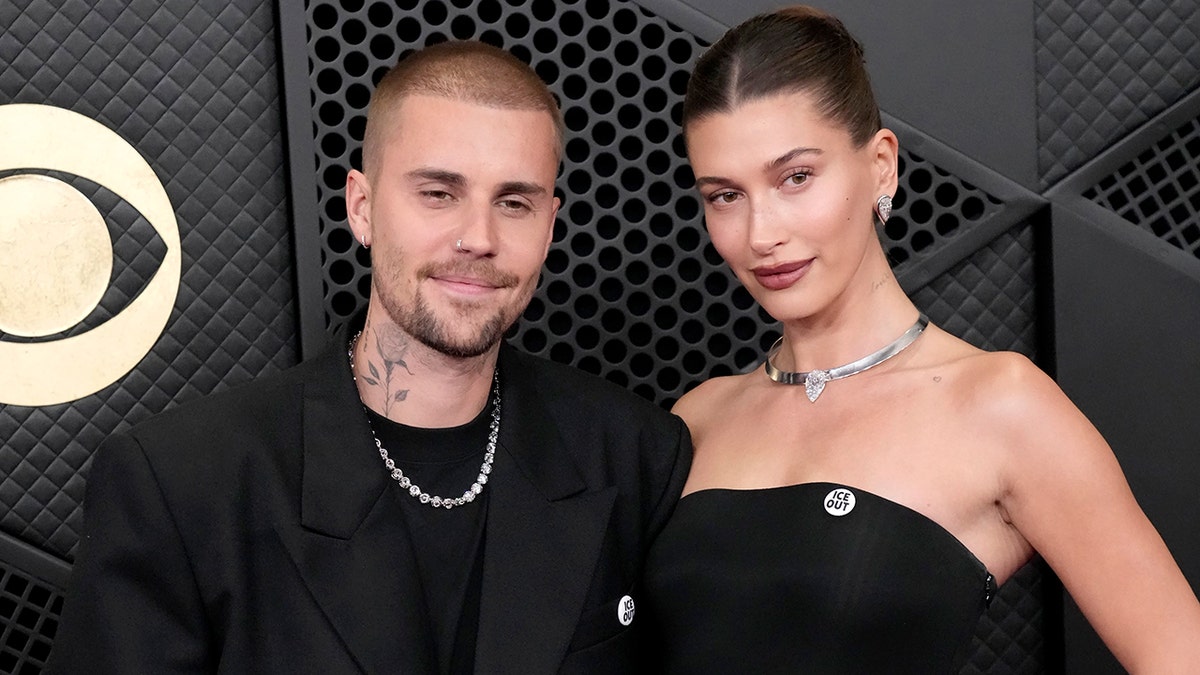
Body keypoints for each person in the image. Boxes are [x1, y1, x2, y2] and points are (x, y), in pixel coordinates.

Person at [51, 41, 691, 674]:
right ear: (361, 208)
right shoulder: (183, 483)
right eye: (439, 193)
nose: (479, 239)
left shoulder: (636, 457)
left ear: (550, 225)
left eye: (514, 202)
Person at [642, 6, 1200, 673]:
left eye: (796, 177)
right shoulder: (698, 417)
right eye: (725, 195)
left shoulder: (1001, 405)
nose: (761, 233)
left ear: (880, 166)